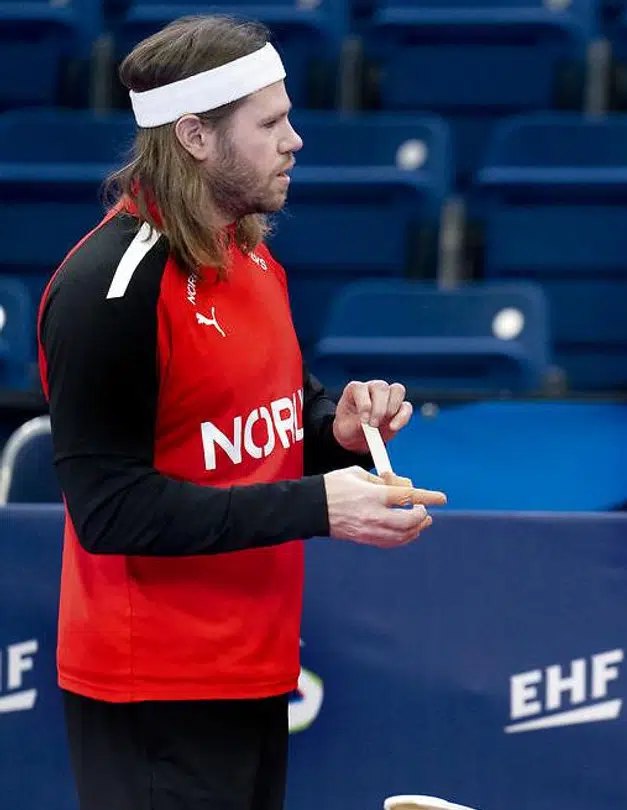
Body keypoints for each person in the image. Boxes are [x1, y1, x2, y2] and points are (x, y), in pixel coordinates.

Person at [38, 15, 447, 810]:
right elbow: (109, 510)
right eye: (271, 122)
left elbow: (264, 419)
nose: (295, 140)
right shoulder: (108, 289)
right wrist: (320, 507)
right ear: (194, 134)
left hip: (255, 666)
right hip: (151, 689)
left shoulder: (250, 253)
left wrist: (337, 430)